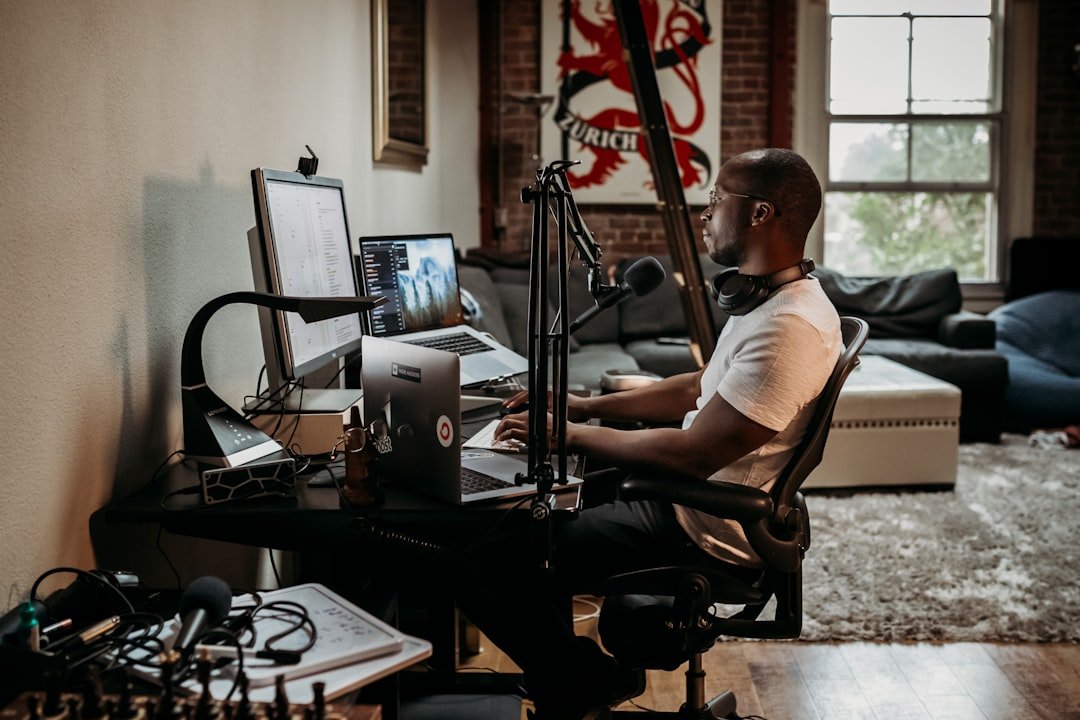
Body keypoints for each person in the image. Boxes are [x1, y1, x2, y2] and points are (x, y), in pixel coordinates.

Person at [453, 148, 842, 720]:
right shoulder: (768, 300)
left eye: (716, 199)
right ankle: (574, 679)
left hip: (701, 523)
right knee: (517, 510)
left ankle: (578, 682)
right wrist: (585, 406)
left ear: (760, 214)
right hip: (679, 499)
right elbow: (698, 388)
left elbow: (694, 453)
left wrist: (570, 436)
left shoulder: (790, 327)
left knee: (484, 554)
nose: (705, 213)